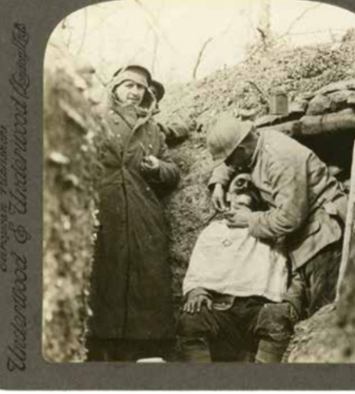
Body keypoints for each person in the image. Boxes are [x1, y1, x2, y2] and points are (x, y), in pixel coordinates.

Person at [206, 115, 347, 361]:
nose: (232, 166)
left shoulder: (280, 158)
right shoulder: (256, 141)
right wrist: (219, 181)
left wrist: (249, 220)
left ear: (241, 149)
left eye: (231, 160)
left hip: (323, 237)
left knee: (323, 317)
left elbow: (289, 219)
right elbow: (231, 160)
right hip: (306, 239)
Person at [87, 65, 181, 361]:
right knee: (107, 273)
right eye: (129, 85)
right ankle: (101, 348)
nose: (134, 92)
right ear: (115, 87)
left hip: (143, 211)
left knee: (147, 276)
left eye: (140, 88)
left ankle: (145, 348)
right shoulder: (96, 118)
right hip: (107, 205)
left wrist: (157, 167)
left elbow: (172, 172)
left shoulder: (151, 127)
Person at [177, 174, 290, 363]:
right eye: (239, 183)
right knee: (192, 318)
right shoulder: (215, 230)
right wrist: (197, 291)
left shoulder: (272, 229)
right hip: (221, 307)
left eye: (241, 207)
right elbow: (197, 268)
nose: (245, 184)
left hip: (258, 308)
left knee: (275, 319)